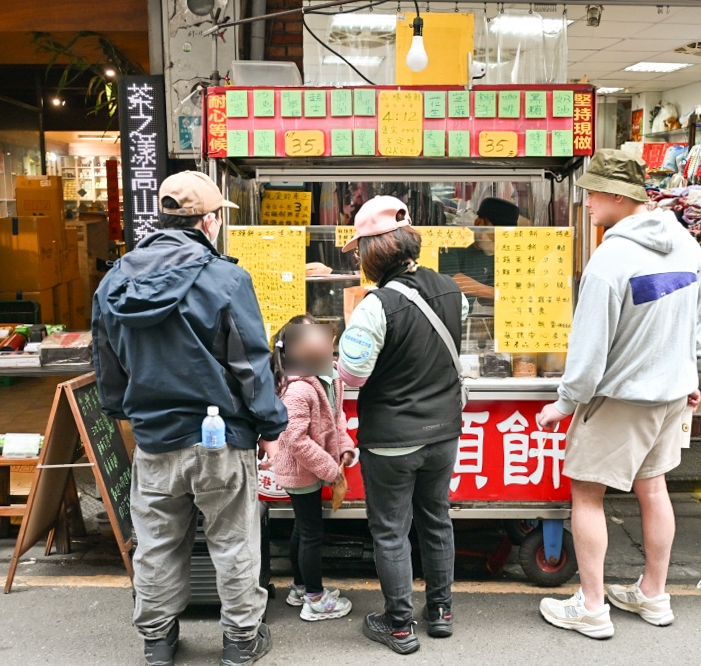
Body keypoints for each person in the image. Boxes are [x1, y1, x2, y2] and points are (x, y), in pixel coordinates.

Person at [92, 171, 287, 666]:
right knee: (234, 540)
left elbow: (106, 362)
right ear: (208, 220)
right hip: (221, 437)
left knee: (156, 543)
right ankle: (241, 642)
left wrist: (124, 412)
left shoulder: (114, 280)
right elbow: (251, 362)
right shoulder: (225, 278)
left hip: (154, 437)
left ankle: (157, 641)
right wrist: (269, 424)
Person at [535, 149, 701, 639]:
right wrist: (694, 374)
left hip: (620, 400)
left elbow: (589, 350)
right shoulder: (686, 244)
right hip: (671, 394)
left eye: (592, 193)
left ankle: (592, 606)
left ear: (617, 195)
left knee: (587, 495)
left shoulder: (610, 259)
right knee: (653, 487)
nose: (587, 203)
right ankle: (653, 594)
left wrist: (565, 403)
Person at [336, 195, 467, 655]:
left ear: (373, 252)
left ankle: (398, 626)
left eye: (358, 251)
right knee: (436, 520)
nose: (357, 259)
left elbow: (352, 376)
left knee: (391, 530)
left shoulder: (376, 305)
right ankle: (441, 612)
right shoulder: (452, 290)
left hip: (392, 438)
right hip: (444, 434)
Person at [265, 315, 355, 622]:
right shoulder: (297, 389)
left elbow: (338, 416)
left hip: (317, 465)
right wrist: (332, 470)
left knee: (303, 529)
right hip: (300, 470)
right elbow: (296, 440)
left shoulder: (329, 376)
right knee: (311, 533)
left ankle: (300, 587)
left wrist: (344, 446)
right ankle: (314, 599)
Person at [438, 196, 520, 303]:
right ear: (478, 223)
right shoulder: (452, 239)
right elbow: (452, 278)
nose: (498, 242)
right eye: (495, 235)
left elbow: (483, 299)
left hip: (465, 315)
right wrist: (498, 293)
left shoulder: (492, 254)